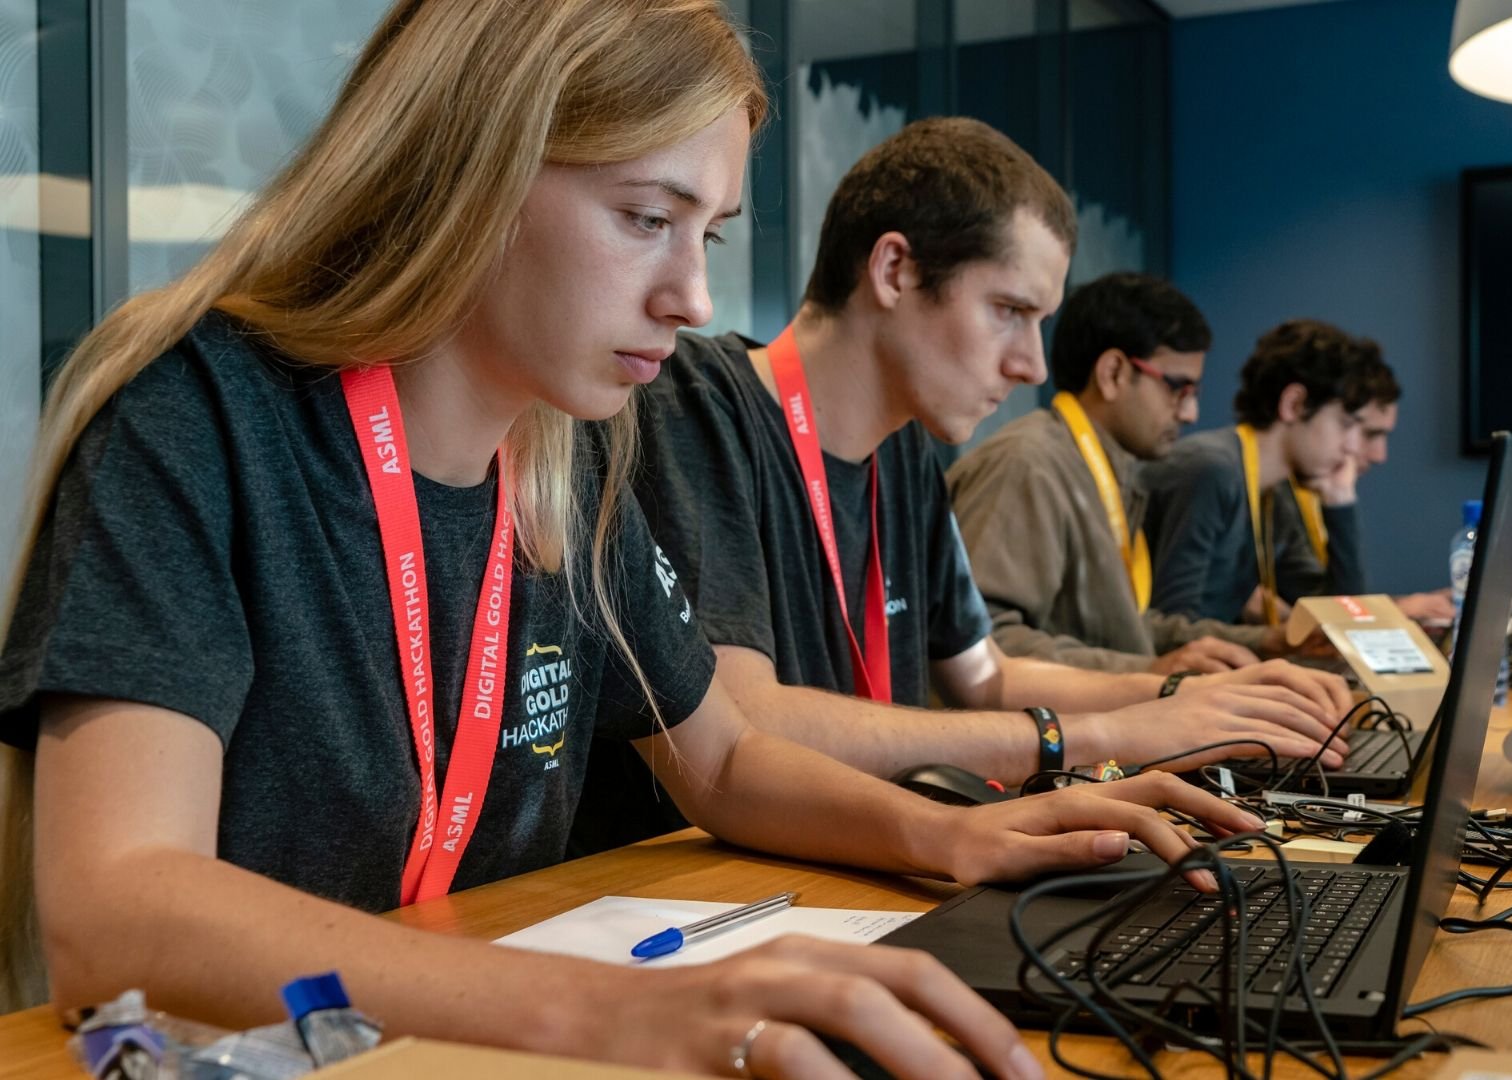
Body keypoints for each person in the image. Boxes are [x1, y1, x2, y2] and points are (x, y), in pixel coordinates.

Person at [0, 4, 1262, 1074]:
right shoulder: (195, 413)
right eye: (646, 218)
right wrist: (636, 1015)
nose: (694, 298)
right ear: (470, 168)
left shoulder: (567, 454)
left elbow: (720, 759)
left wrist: (952, 833)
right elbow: (118, 906)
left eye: (703, 236)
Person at [578, 120, 1354, 851]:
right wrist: (1110, 734)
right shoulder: (692, 401)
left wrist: (1176, 699)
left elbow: (987, 675)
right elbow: (747, 719)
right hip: (709, 892)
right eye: (1010, 311)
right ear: (895, 270)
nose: (1034, 366)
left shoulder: (907, 451)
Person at [946, 271, 1278, 674]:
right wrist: (1149, 677)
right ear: (1114, 373)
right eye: (1178, 389)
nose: (1190, 414)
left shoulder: (1106, 468)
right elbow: (983, 644)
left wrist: (1265, 641)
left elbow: (1124, 633)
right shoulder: (1029, 465)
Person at [1141, 319, 1379, 627]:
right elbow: (1173, 627)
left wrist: (1340, 502)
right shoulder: (1212, 470)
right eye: (1345, 424)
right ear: (1293, 404)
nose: (1351, 447)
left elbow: (1341, 616)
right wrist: (1268, 641)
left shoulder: (1274, 491)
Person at [1271, 352, 1456, 624]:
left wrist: (1395, 607)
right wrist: (1392, 611)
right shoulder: (1272, 491)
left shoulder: (1307, 493)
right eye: (1369, 433)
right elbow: (1338, 618)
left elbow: (1331, 606)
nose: (1380, 455)